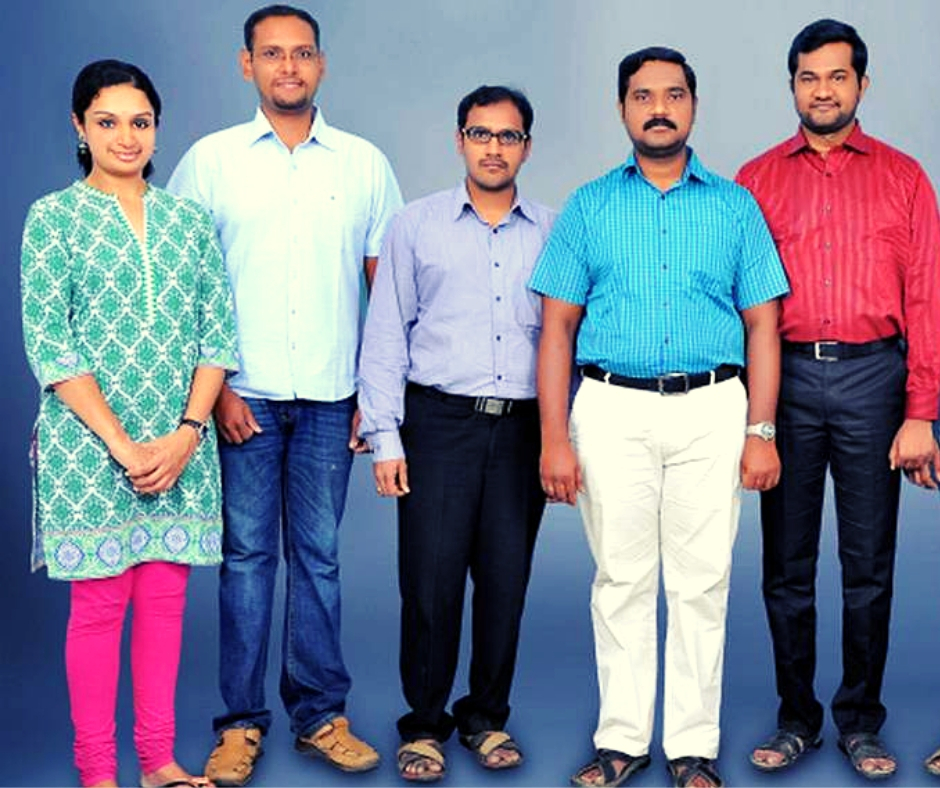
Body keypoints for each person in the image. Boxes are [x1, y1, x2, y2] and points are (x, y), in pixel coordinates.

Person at [530, 47, 789, 788]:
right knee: (622, 579)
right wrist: (555, 437)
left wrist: (760, 431)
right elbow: (557, 329)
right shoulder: (589, 206)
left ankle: (692, 747)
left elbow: (764, 325)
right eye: (642, 95)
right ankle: (621, 740)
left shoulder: (735, 205)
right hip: (611, 408)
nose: (658, 107)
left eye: (673, 94)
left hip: (714, 406)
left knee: (702, 582)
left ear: (694, 106)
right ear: (622, 110)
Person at [166, 4, 402, 784]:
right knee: (245, 562)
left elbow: (388, 290)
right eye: (272, 54)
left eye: (302, 54)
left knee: (321, 561)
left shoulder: (363, 163)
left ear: (322, 65)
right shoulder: (209, 161)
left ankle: (319, 716)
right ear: (248, 66)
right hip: (246, 399)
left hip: (334, 398)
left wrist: (376, 394)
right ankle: (239, 724)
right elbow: (183, 287)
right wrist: (218, 390)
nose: (288, 68)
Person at [20, 59, 238, 788]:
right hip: (89, 447)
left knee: (166, 602)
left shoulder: (188, 220)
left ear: (157, 128)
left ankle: (158, 761)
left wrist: (184, 433)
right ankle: (97, 774)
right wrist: (120, 444)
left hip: (181, 442)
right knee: (100, 605)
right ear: (79, 127)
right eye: (107, 121)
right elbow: (49, 342)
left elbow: (219, 336)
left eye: (139, 122)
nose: (125, 136)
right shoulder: (53, 218)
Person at [736, 18, 940, 780]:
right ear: (792, 84)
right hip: (782, 381)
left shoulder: (904, 177)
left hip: (873, 381)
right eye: (808, 77)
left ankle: (860, 719)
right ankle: (796, 717)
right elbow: (735, 303)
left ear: (862, 83)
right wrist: (745, 410)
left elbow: (927, 298)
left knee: (869, 564)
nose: (823, 91)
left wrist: (922, 411)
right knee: (785, 564)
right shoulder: (755, 180)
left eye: (837, 76)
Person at [357, 84, 554, 782]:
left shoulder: (555, 231)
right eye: (480, 133)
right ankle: (425, 724)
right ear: (459, 140)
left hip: (524, 430)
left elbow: (569, 342)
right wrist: (385, 436)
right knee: (431, 581)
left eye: (507, 135)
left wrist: (566, 438)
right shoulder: (415, 226)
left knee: (506, 581)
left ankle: (487, 717)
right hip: (437, 422)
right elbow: (386, 334)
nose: (493, 147)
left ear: (527, 145)